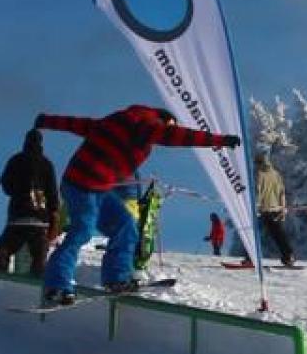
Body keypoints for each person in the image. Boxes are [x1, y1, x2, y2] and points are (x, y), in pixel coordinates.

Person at [32, 104, 239, 305]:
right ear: (164, 121)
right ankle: (57, 284)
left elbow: (76, 124)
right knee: (82, 230)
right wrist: (219, 140)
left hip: (99, 187)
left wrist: (46, 121)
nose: (168, 131)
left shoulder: (116, 120)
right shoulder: (147, 125)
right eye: (170, 126)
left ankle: (117, 278)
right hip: (80, 185)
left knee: (126, 225)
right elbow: (181, 137)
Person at [0, 129, 59, 276]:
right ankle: (36, 288)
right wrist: (54, 216)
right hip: (39, 219)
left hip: (18, 216)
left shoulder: (15, 160)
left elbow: (6, 185)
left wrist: (18, 191)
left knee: (5, 250)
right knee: (39, 257)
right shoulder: (47, 164)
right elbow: (53, 193)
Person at [255, 151, 295, 266]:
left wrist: (256, 206)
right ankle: (288, 255)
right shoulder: (276, 174)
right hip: (277, 208)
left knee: (253, 231)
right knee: (279, 234)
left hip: (266, 209)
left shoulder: (260, 174)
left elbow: (258, 192)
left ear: (258, 163)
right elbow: (282, 193)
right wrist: (283, 208)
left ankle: (250, 258)